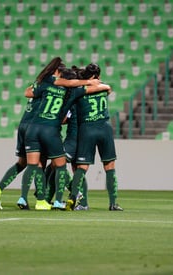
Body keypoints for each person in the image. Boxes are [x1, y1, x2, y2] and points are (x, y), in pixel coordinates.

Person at [18, 62, 109, 210]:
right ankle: (53, 197)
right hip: (80, 137)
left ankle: (73, 195)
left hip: (75, 138)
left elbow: (29, 92)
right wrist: (105, 87)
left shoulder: (71, 96)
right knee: (63, 167)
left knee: (59, 165)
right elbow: (98, 88)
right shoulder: (77, 94)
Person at [66, 63, 124, 211]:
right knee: (109, 166)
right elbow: (108, 89)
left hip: (87, 128)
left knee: (82, 167)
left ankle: (76, 200)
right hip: (104, 127)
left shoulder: (79, 90)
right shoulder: (104, 87)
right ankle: (113, 203)